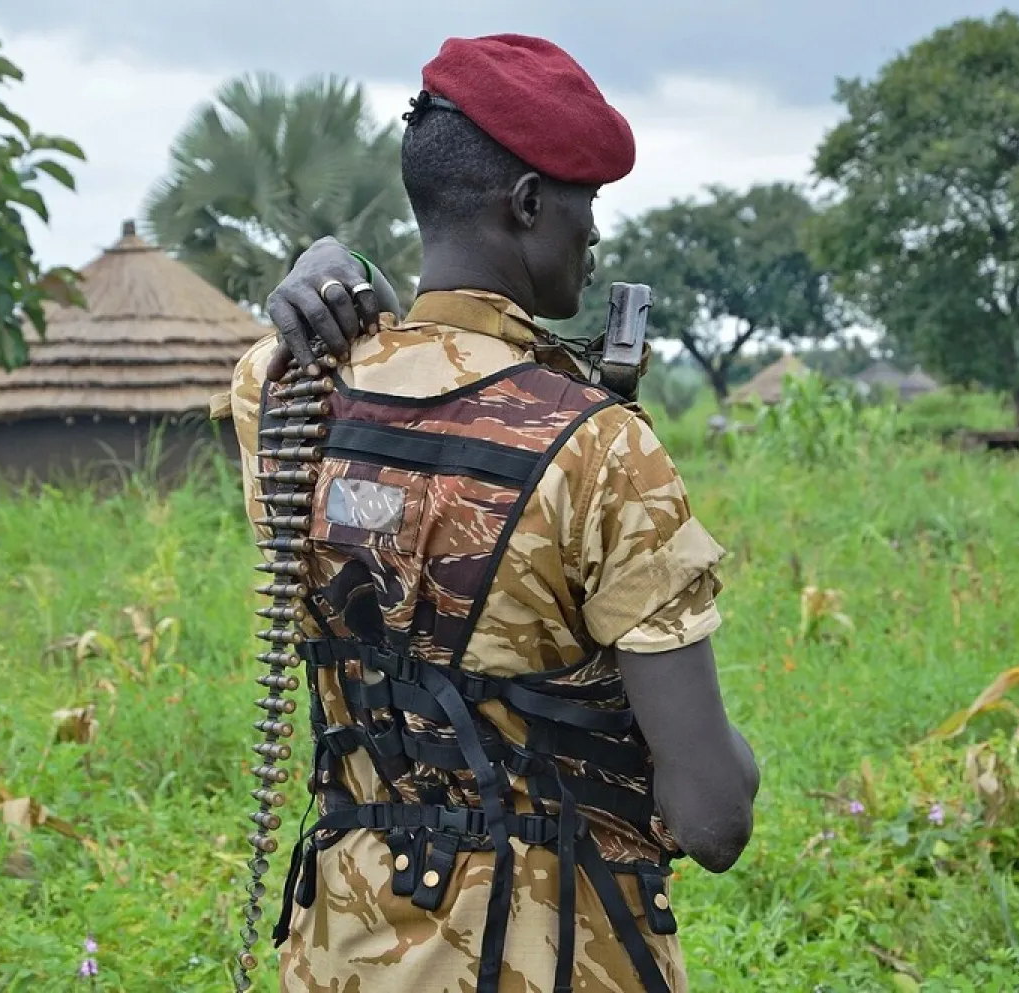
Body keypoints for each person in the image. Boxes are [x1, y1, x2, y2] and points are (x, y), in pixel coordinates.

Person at [216, 33, 759, 993]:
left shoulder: (284, 386)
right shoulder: (598, 447)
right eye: (585, 205)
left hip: (342, 951)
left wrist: (327, 260)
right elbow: (715, 817)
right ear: (527, 204)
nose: (593, 237)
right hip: (549, 955)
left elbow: (388, 352)